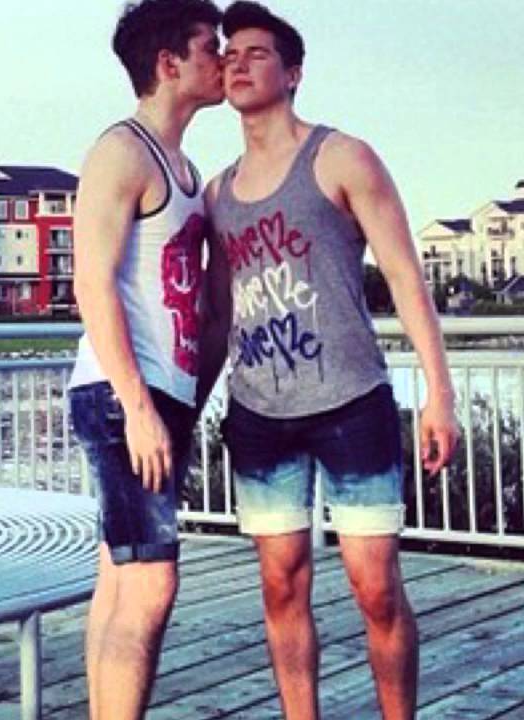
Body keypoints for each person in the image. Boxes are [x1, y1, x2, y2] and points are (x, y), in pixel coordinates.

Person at [204, 3, 461, 718]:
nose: (238, 63)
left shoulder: (342, 157)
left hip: (350, 402)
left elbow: (405, 276)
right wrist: (186, 411)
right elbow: (219, 315)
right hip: (259, 413)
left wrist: (439, 393)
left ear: (293, 73)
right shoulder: (217, 192)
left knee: (375, 586)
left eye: (257, 53)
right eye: (229, 53)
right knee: (280, 584)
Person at [67, 1, 230, 717]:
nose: (223, 58)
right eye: (209, 46)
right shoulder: (122, 151)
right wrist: (137, 407)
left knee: (120, 576)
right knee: (150, 584)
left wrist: (186, 403)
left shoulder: (185, 168)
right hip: (120, 394)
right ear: (169, 64)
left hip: (159, 396)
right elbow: (91, 282)